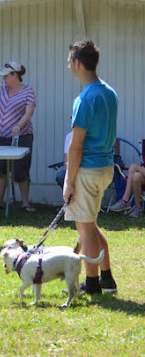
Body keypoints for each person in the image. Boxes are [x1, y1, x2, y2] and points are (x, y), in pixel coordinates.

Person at [63, 40, 119, 295]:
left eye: (69, 61)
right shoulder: (109, 92)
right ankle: (106, 278)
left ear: (77, 63)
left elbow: (76, 146)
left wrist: (68, 180)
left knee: (84, 228)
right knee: (92, 224)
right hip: (106, 167)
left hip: (87, 168)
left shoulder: (84, 98)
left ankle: (93, 283)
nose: (68, 65)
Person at [0, 62, 37, 213]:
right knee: (0, 169)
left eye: (6, 76)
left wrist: (19, 125)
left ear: (15, 75)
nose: (4, 79)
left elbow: (29, 111)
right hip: (0, 135)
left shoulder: (28, 91)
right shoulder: (1, 90)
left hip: (21, 136)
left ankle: (25, 203)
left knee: (21, 169)